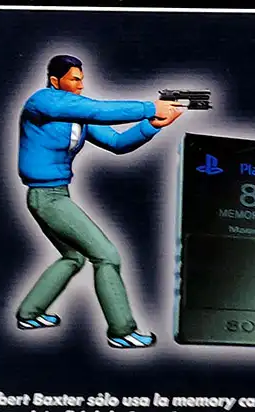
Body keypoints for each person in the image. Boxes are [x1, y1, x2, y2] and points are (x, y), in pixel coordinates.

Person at [15, 55, 182, 349]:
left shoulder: (76, 116)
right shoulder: (42, 101)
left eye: (82, 79)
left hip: (57, 195)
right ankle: (121, 331)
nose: (81, 85)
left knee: (74, 257)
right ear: (55, 81)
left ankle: (30, 314)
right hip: (47, 198)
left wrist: (152, 124)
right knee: (107, 256)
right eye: (74, 79)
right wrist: (150, 107)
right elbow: (98, 110)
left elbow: (117, 143)